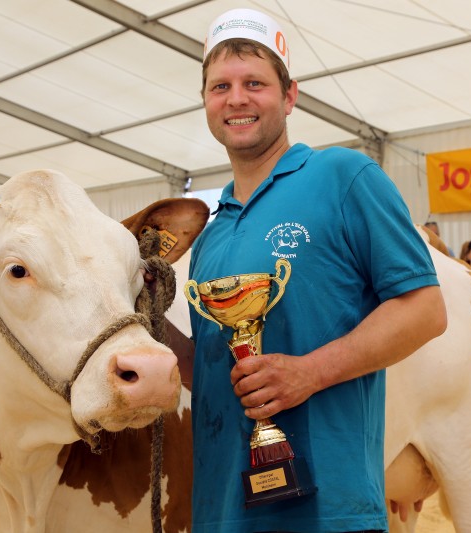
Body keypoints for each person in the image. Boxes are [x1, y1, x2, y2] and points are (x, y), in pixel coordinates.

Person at [184, 9, 446, 532]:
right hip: (220, 513)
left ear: (289, 96)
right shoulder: (210, 233)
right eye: (221, 87)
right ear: (206, 102)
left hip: (329, 511)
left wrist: (309, 373)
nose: (236, 99)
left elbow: (426, 310)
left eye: (254, 83)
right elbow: (219, 374)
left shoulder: (344, 176)